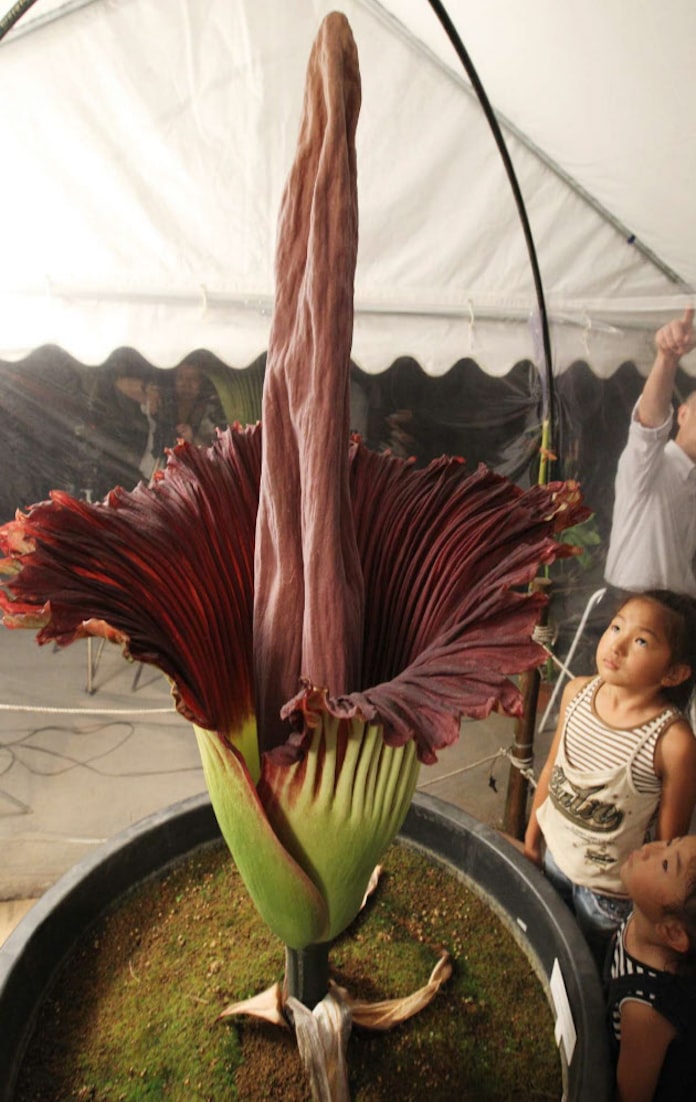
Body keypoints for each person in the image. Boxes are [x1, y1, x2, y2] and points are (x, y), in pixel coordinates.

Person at [524, 590, 696, 964]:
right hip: (555, 858)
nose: (615, 645)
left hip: (609, 897)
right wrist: (532, 842)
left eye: (640, 641)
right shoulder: (577, 692)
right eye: (616, 626)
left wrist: (649, 916)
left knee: (588, 968)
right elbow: (553, 771)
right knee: (541, 948)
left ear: (674, 673)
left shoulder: (672, 741)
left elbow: (668, 841)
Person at [604, 308, 696, 598]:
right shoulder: (648, 466)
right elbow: (648, 425)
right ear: (682, 413)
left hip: (679, 615)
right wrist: (667, 358)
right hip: (630, 609)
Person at [605, 834, 696, 1102]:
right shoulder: (646, 918)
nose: (650, 849)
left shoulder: (646, 1011)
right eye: (670, 843)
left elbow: (631, 1095)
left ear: (673, 933)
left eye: (666, 865)